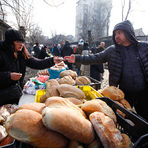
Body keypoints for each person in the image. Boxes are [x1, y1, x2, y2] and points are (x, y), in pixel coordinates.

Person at [64, 20, 148, 122]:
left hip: (144, 92)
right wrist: (77, 58)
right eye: (115, 33)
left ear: (128, 32)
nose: (116, 36)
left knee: (145, 118)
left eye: (119, 33)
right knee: (126, 119)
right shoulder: (112, 50)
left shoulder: (144, 47)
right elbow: (95, 58)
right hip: (124, 93)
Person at [0, 28, 63, 105]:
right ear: (10, 42)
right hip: (3, 95)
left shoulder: (21, 53)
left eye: (22, 42)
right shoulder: (2, 53)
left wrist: (52, 60)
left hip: (15, 93)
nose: (21, 44)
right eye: (18, 41)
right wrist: (8, 76)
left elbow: (36, 63)